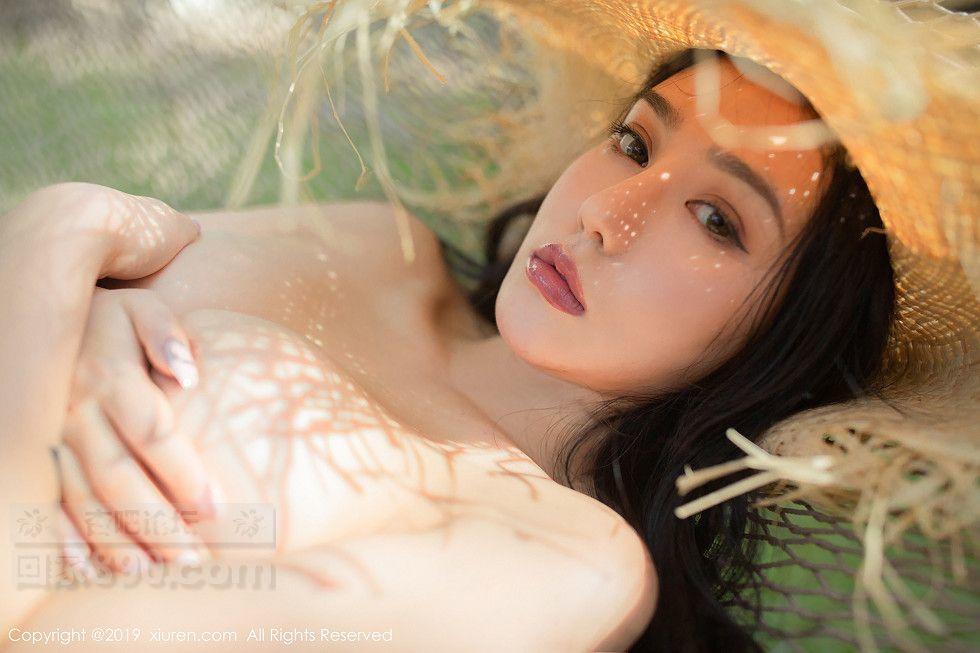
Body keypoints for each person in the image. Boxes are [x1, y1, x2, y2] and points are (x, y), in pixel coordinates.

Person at [0, 46, 896, 652]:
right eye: (634, 142)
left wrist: (53, 238)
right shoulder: (380, 248)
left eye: (714, 218)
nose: (602, 212)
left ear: (791, 337)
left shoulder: (564, 559)